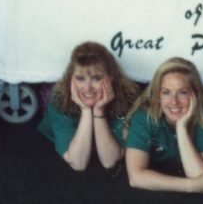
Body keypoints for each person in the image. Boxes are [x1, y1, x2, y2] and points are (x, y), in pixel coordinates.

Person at [38, 41, 140, 171]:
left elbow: (109, 161)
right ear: (71, 78)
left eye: (96, 78)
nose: (88, 88)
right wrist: (86, 111)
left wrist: (99, 111)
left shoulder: (128, 100)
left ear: (111, 77)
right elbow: (78, 163)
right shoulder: (59, 101)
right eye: (80, 78)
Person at [124, 57, 203, 193]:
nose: (174, 102)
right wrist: (190, 186)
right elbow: (136, 178)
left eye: (182, 92)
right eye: (166, 92)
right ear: (158, 94)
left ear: (196, 94)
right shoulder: (143, 118)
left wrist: (181, 128)